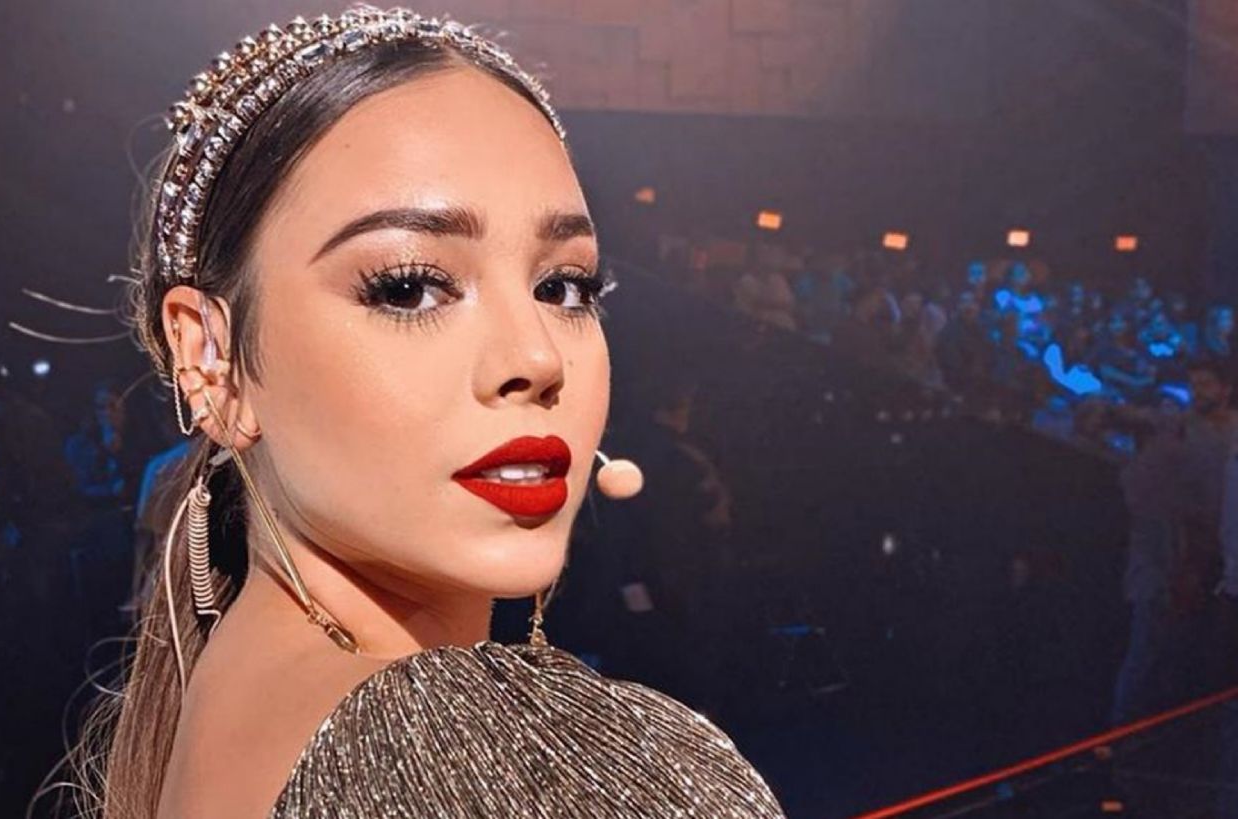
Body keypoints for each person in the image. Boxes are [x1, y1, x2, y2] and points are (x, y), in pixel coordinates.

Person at [70, 7, 783, 818]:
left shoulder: (218, 706)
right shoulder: (491, 761)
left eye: (563, 287)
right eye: (408, 287)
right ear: (210, 357)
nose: (537, 357)